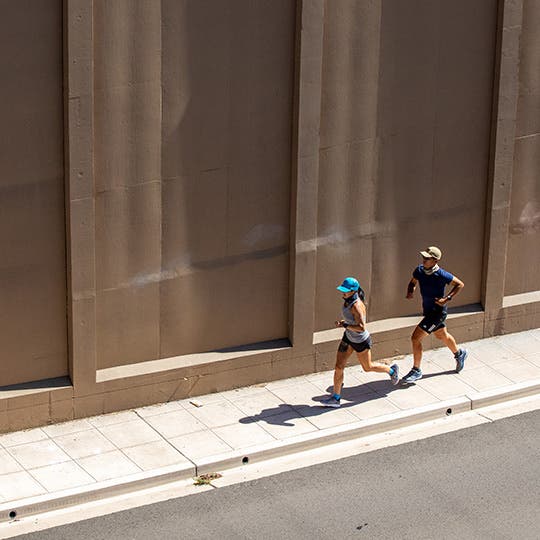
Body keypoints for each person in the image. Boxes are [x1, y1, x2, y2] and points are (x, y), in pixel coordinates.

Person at [322, 277, 399, 408]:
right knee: (338, 367)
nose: (343, 293)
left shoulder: (357, 306)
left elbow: (361, 327)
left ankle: (391, 371)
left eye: (346, 291)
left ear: (353, 291)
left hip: (360, 341)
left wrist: (345, 325)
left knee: (367, 367)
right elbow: (350, 321)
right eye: (343, 290)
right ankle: (336, 398)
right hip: (348, 338)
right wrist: (344, 324)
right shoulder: (347, 301)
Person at [402, 246, 468, 383]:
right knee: (441, 335)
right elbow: (413, 282)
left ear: (435, 260)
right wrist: (410, 290)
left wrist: (447, 299)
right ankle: (459, 354)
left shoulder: (441, 275)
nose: (424, 260)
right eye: (424, 257)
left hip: (437, 313)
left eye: (427, 258)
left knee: (415, 338)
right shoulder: (419, 270)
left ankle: (416, 370)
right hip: (428, 311)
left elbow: (460, 284)